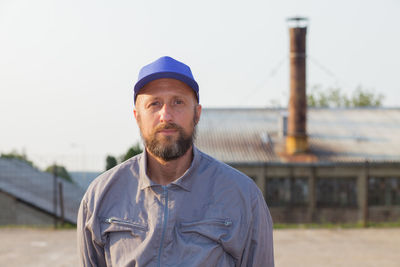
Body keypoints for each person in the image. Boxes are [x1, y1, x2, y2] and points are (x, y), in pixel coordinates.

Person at [77, 56, 274, 267]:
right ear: (137, 116)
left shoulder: (242, 196)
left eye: (178, 102)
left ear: (196, 114)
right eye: (154, 104)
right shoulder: (100, 197)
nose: (166, 115)